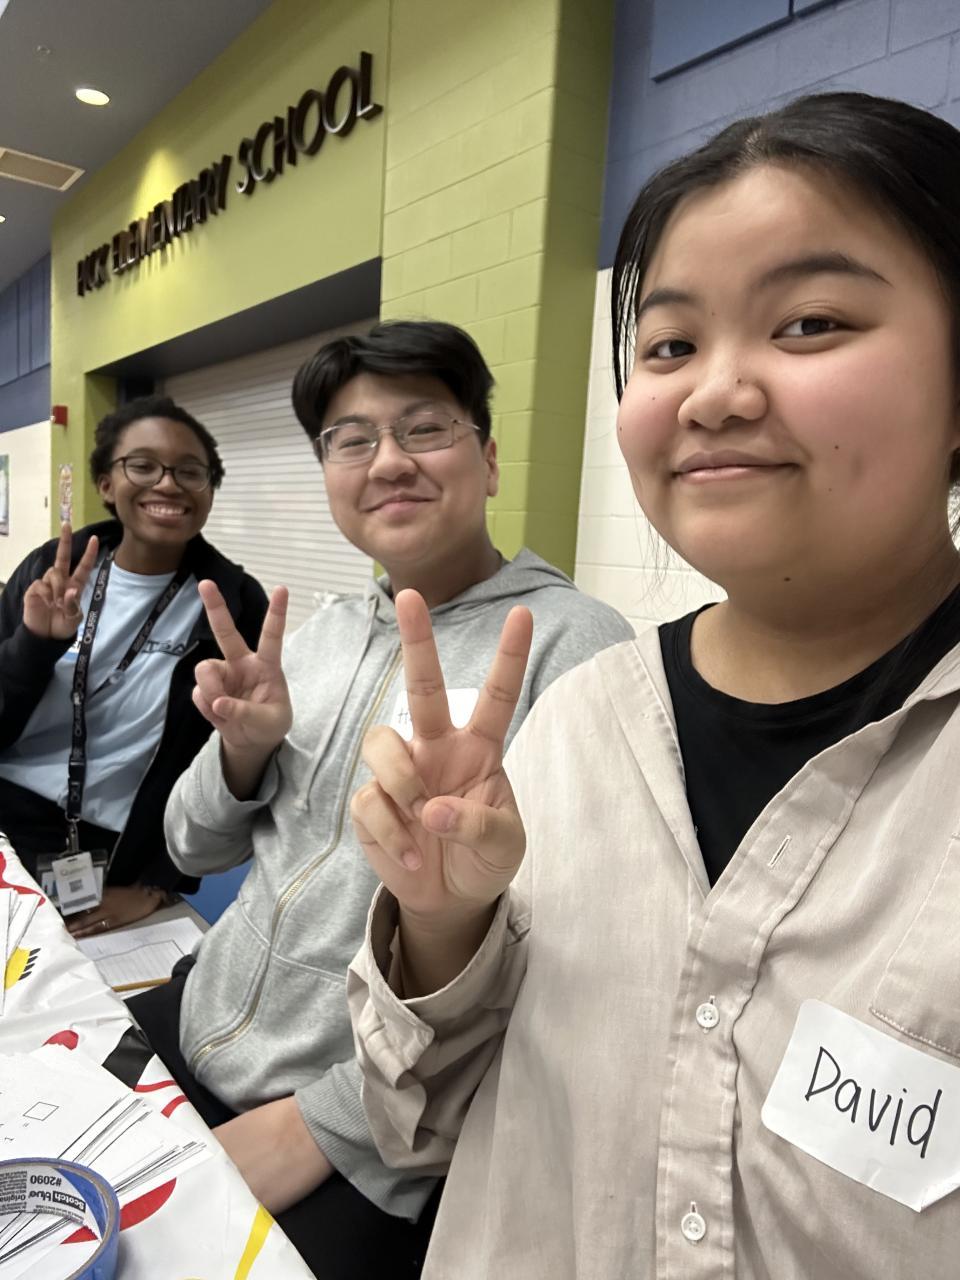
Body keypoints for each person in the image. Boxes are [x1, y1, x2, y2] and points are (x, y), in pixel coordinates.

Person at [348, 92, 960, 1280]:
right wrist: (441, 923)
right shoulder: (581, 718)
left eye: (811, 322)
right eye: (670, 345)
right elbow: (417, 1124)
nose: (713, 393)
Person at [128, 320, 632, 1279]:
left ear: (489, 460)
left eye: (425, 429)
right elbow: (190, 849)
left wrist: (330, 1121)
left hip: (368, 1129)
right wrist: (242, 751)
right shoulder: (316, 634)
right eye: (351, 440)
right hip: (200, 1017)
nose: (388, 461)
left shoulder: (577, 649)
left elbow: (574, 965)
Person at [0, 396, 268, 939]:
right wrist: (34, 645)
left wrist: (159, 882)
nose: (167, 484)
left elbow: (234, 763)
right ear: (106, 483)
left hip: (117, 853)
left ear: (209, 490)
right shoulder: (49, 573)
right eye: (142, 466)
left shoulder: (233, 605)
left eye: (189, 471)